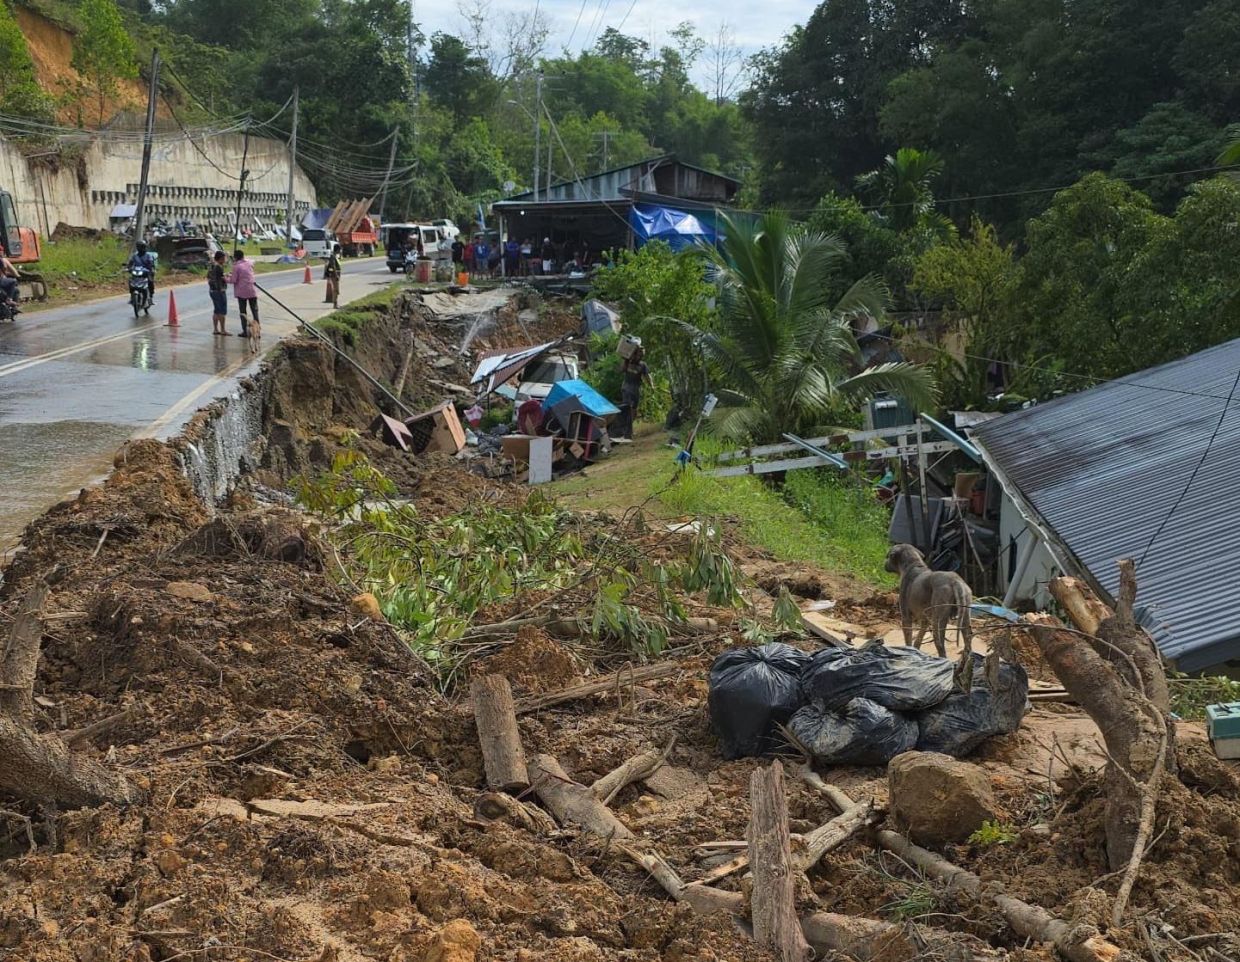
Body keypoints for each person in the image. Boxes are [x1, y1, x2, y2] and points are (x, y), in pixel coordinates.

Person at [613, 346, 652, 443]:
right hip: (626, 388)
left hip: (636, 389)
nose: (640, 357)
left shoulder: (643, 365)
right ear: (634, 353)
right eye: (639, 354)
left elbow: (647, 376)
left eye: (642, 355)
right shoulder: (628, 362)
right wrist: (625, 360)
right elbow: (621, 370)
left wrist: (652, 386)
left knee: (634, 410)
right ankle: (626, 432)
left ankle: (628, 429)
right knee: (627, 408)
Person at [227, 249, 257, 337]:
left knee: (243, 312)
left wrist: (225, 279)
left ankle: (245, 331)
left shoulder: (236, 266)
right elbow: (252, 263)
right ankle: (257, 330)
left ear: (235, 257)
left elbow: (233, 280)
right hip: (252, 290)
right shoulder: (249, 263)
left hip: (242, 292)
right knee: (255, 311)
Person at [208, 250, 229, 335]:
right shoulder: (219, 267)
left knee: (216, 310)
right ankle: (223, 329)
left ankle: (216, 329)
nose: (225, 259)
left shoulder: (212, 266)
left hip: (212, 290)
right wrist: (227, 276)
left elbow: (210, 277)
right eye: (224, 257)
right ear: (221, 258)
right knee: (222, 311)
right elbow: (222, 278)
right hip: (219, 291)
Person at [0, 245, 20, 312]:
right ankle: (10, 300)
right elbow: (15, 273)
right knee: (13, 282)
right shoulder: (3, 260)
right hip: (1, 282)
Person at [324, 243, 342, 308]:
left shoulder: (336, 256)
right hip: (334, 275)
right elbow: (333, 266)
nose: (340, 251)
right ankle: (335, 304)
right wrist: (336, 275)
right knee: (336, 290)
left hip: (337, 275)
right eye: (339, 250)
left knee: (337, 290)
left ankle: (336, 303)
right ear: (337, 250)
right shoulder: (332, 256)